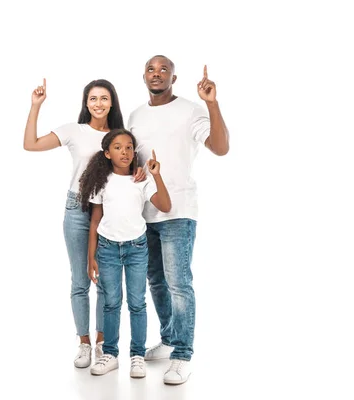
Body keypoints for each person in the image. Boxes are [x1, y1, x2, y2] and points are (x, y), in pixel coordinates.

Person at [127, 55, 230, 385]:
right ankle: (170, 338)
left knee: (178, 283)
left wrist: (211, 103)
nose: (157, 74)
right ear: (143, 76)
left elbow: (220, 147)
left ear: (174, 78)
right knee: (155, 280)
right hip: (144, 212)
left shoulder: (190, 110)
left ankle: (183, 354)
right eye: (151, 69)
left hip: (179, 211)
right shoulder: (136, 115)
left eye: (163, 70)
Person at [23, 78, 126, 368]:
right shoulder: (74, 131)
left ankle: (104, 341)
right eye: (93, 98)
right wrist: (35, 106)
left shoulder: (120, 135)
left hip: (110, 211)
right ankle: (84, 344)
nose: (98, 104)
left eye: (104, 98)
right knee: (80, 281)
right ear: (86, 103)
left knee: (106, 282)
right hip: (77, 208)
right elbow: (30, 144)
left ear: (112, 102)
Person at [78, 128, 171, 378]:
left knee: (138, 303)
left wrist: (156, 175)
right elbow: (95, 221)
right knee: (111, 303)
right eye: (118, 147)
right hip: (107, 249)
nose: (125, 151)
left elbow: (165, 205)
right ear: (107, 153)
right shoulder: (102, 181)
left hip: (136, 249)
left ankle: (137, 356)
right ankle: (110, 354)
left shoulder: (141, 179)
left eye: (129, 147)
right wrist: (91, 257)